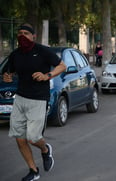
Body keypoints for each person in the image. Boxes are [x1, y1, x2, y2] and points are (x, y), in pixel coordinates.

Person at [3, 23, 66, 181]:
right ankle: (33, 170)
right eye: (19, 33)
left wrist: (47, 75)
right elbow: (8, 72)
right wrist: (7, 76)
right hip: (20, 99)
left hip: (38, 99)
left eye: (25, 33)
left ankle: (45, 150)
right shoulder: (15, 54)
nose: (22, 36)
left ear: (33, 36)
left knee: (32, 138)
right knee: (19, 138)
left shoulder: (43, 51)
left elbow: (62, 66)